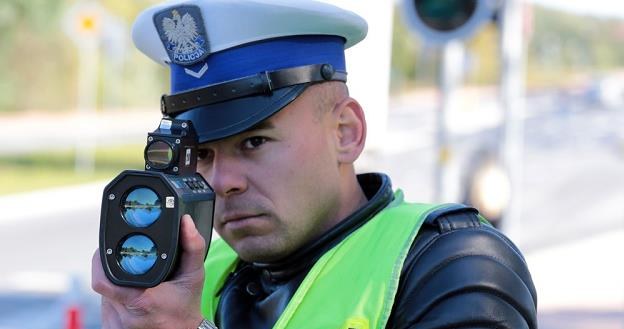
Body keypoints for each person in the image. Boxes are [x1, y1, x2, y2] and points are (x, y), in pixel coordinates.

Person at [91, 1, 538, 328]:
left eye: (254, 141)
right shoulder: (196, 271)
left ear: (346, 132)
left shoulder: (458, 267)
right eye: (203, 155)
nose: (222, 182)